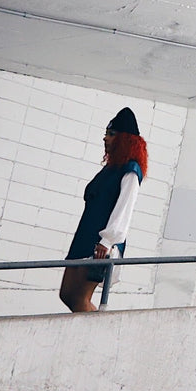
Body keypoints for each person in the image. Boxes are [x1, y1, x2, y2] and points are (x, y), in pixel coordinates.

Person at [59, 107, 148, 312]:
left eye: (111, 134)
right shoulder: (110, 169)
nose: (105, 138)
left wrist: (107, 240)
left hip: (100, 243)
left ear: (124, 139)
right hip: (84, 237)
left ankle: (96, 336)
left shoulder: (130, 170)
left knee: (79, 298)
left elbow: (125, 207)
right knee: (67, 294)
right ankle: (97, 327)